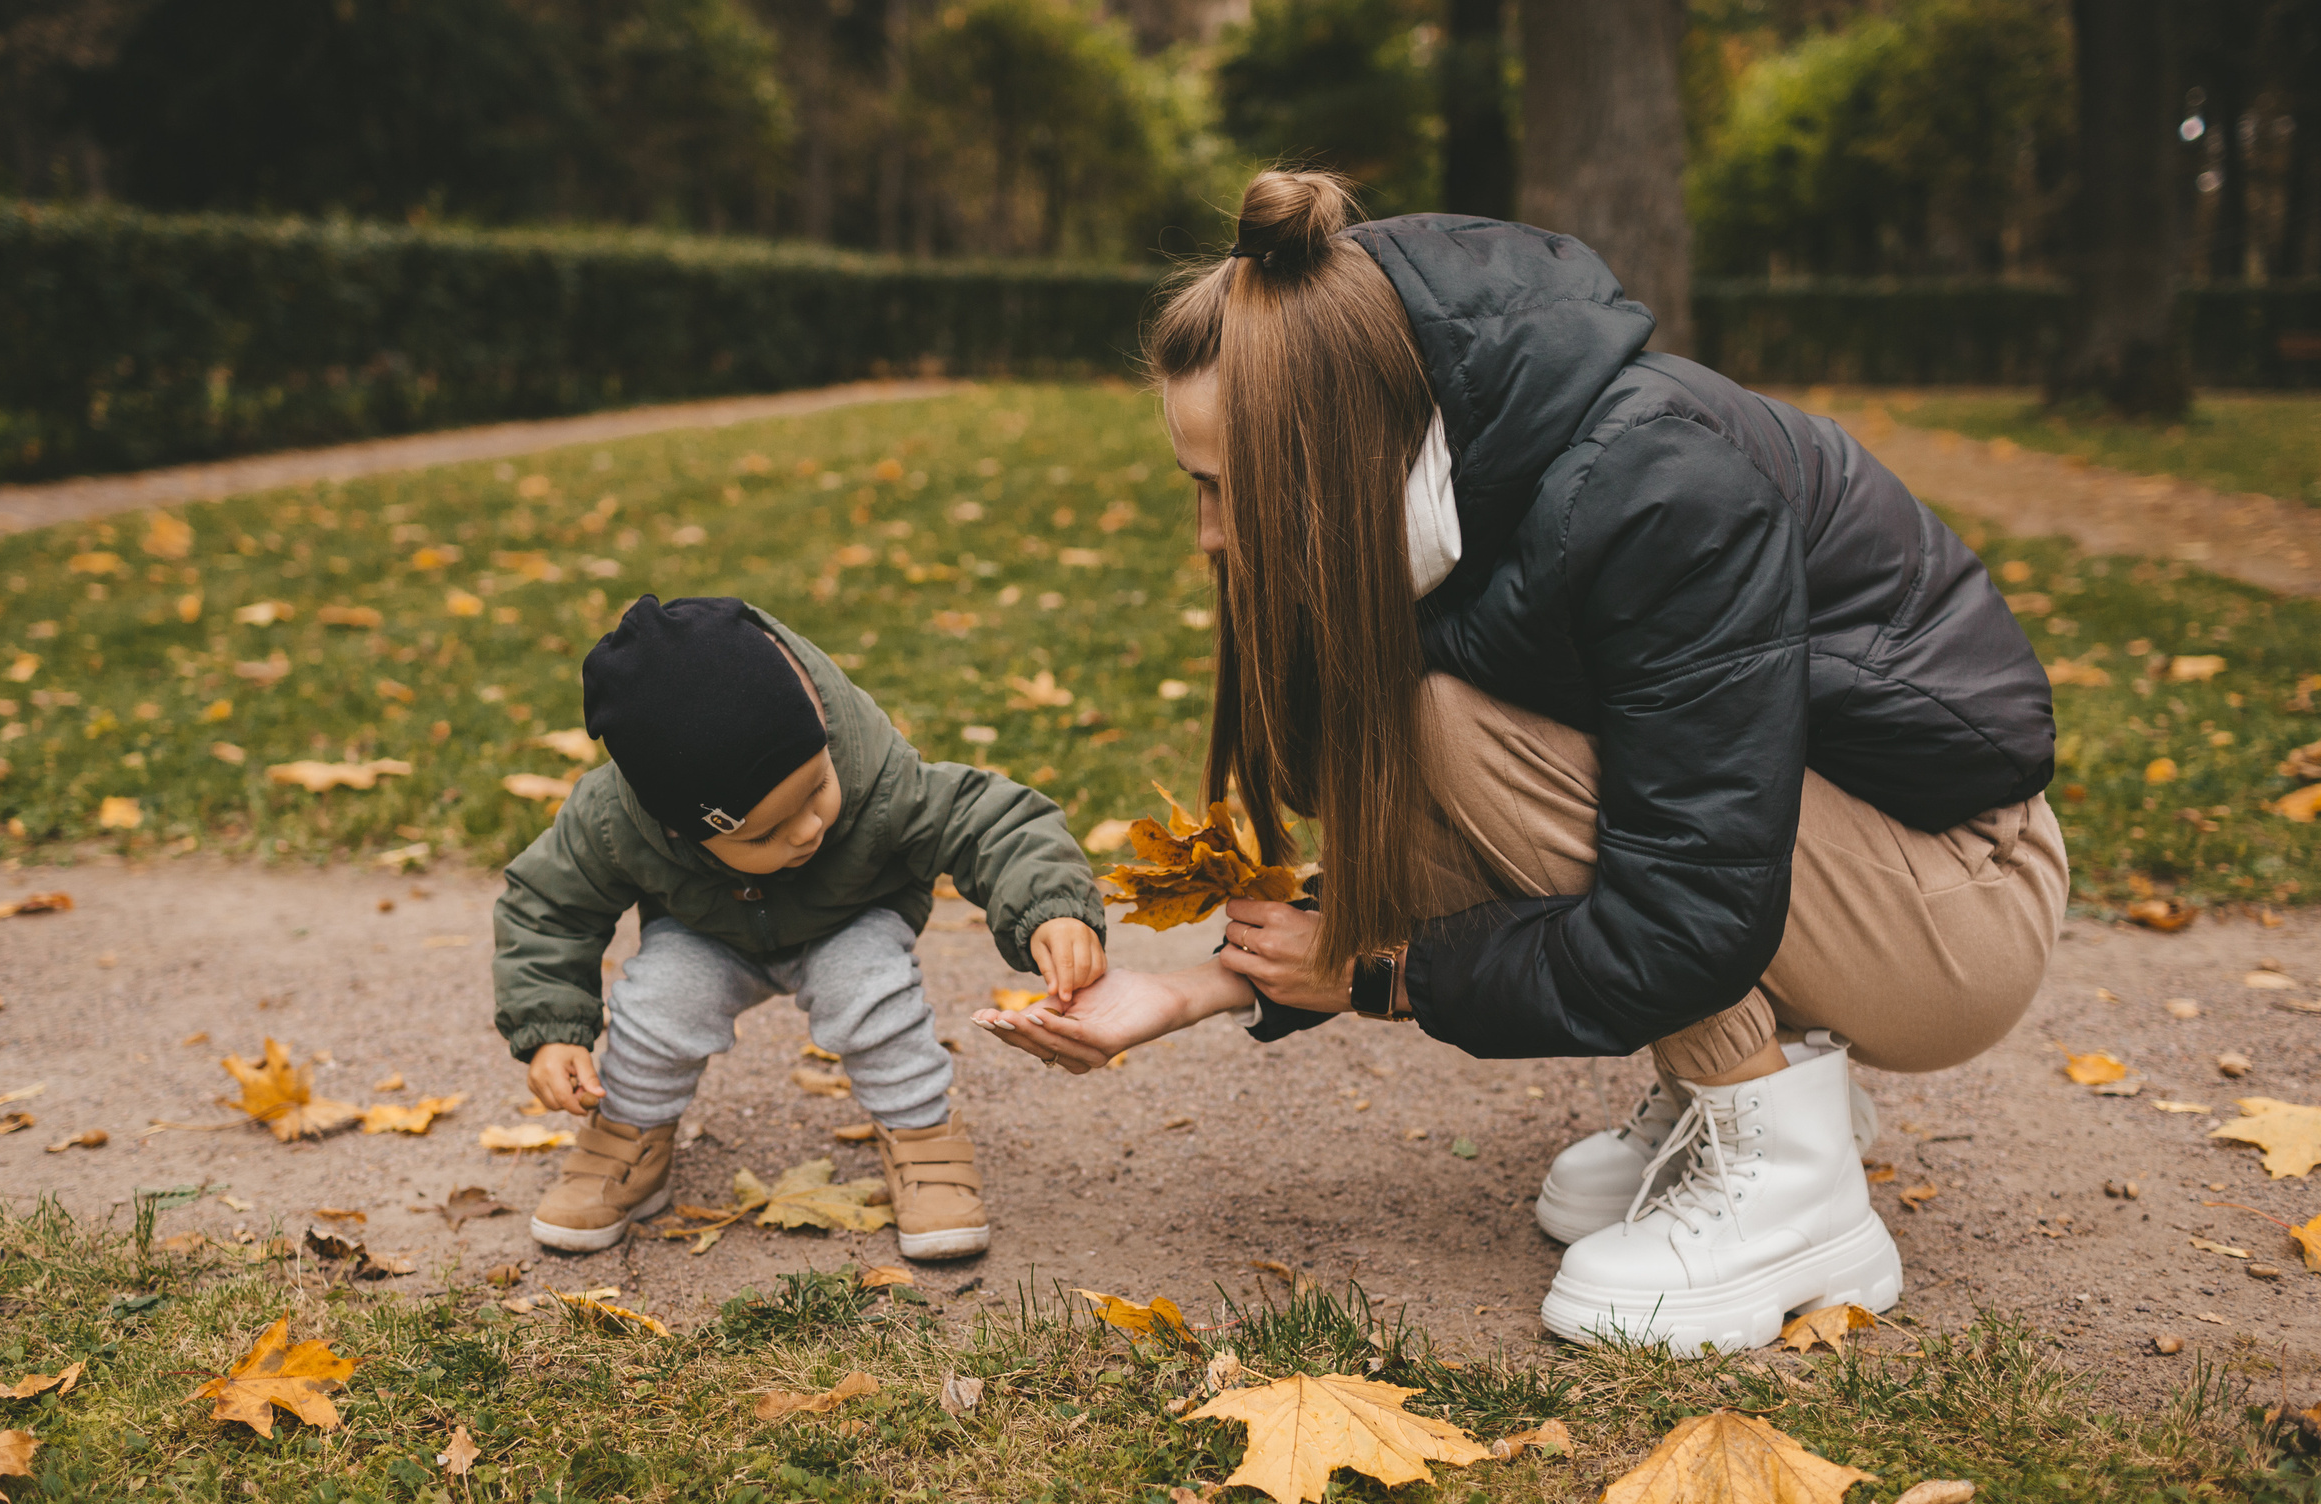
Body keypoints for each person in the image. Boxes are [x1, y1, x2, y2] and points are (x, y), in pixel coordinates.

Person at [974, 170, 2066, 1354]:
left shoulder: (1655, 490)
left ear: (1336, 447)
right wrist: (1204, 988)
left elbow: (1685, 908)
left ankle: (1791, 1184)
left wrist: (1387, 978)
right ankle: (1729, 1091)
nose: (1211, 532)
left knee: (1445, 722)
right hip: (1815, 869)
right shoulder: (1447, 497)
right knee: (1433, 729)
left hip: (1958, 906)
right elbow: (1484, 831)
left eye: (1227, 490)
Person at [494, 594, 1107, 1260]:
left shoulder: (879, 778)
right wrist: (551, 1030)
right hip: (707, 931)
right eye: (765, 832)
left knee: (869, 989)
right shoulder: (611, 821)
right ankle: (628, 1136)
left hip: (850, 917)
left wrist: (1051, 905)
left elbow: (991, 822)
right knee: (659, 1001)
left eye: (816, 789)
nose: (808, 827)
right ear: (679, 831)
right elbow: (548, 906)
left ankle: (922, 1137)